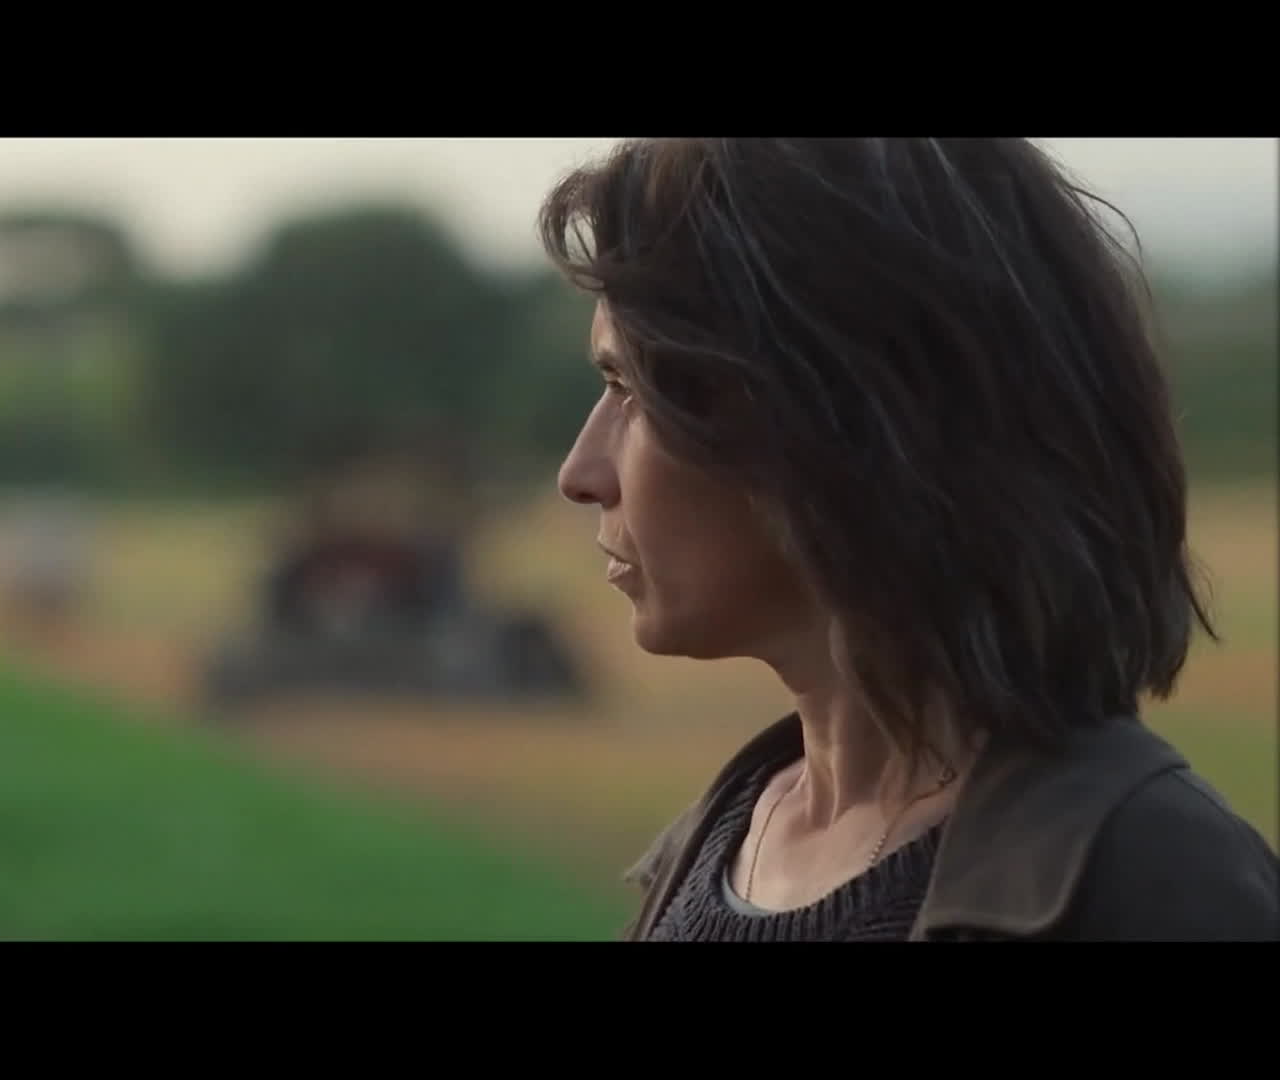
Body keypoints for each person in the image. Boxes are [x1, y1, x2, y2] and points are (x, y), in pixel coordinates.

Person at [541, 137, 1278, 941]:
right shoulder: (702, 859)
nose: (580, 473)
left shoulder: (1157, 884)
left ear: (837, 417)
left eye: (629, 388)